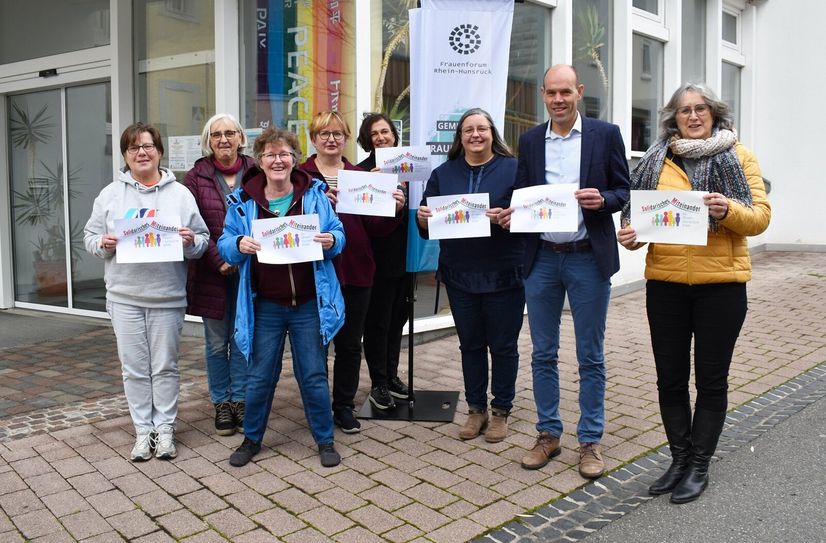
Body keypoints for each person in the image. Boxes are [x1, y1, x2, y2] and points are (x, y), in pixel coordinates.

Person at [617, 83, 770, 503]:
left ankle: (699, 465)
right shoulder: (656, 160)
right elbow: (638, 223)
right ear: (674, 118)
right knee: (669, 379)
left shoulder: (739, 157)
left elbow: (759, 218)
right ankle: (679, 459)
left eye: (700, 108)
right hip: (665, 285)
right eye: (684, 111)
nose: (693, 116)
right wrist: (629, 237)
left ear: (714, 113)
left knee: (710, 380)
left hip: (721, 287)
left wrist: (728, 210)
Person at [499, 64, 630, 478]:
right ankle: (548, 435)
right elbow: (523, 194)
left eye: (565, 92)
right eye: (551, 93)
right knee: (542, 352)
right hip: (542, 258)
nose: (558, 99)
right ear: (543, 95)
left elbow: (623, 190)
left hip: (588, 256)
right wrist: (511, 215)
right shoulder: (531, 140)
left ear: (579, 92)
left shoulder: (605, 134)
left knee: (590, 355)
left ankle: (590, 440)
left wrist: (604, 200)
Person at [218, 127, 345, 468]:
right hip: (267, 306)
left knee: (314, 375)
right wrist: (238, 245)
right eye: (270, 154)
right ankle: (252, 439)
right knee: (259, 376)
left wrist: (332, 240)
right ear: (259, 162)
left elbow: (338, 233)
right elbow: (224, 244)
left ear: (294, 159)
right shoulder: (243, 203)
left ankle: (325, 439)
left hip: (308, 303)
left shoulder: (315, 194)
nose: (278, 160)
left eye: (284, 153)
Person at [83, 122, 209, 462]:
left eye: (148, 146)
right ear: (125, 155)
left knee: (166, 366)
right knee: (134, 368)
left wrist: (189, 241)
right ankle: (143, 431)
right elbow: (90, 237)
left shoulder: (180, 194)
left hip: (167, 296)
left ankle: (165, 429)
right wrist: (103, 244)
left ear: (159, 152)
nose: (142, 152)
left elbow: (202, 241)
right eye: (134, 147)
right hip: (124, 296)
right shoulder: (110, 195)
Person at [416, 108, 525, 444]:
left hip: (505, 272)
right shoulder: (443, 173)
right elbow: (426, 221)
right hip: (460, 273)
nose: (475, 135)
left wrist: (510, 218)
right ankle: (476, 409)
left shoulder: (515, 169)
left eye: (482, 129)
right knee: (470, 344)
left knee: (504, 346)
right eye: (468, 130)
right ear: (459, 137)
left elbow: (530, 218)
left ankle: (501, 410)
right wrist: (422, 218)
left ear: (493, 133)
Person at [300, 111, 404, 432]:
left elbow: (375, 228)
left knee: (349, 346)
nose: (331, 139)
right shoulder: (301, 176)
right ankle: (317, 408)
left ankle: (343, 406)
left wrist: (394, 208)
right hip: (315, 275)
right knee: (315, 347)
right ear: (314, 138)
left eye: (337, 133)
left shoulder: (360, 174)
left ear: (346, 137)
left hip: (357, 271)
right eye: (324, 133)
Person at [184, 113, 255, 437]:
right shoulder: (196, 177)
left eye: (229, 133)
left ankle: (240, 400)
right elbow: (194, 224)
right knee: (215, 344)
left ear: (241, 137)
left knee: (242, 340)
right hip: (213, 272)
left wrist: (241, 257)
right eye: (216, 135)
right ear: (208, 141)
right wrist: (220, 259)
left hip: (250, 268)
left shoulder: (256, 171)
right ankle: (221, 403)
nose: (223, 139)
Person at [357, 113, 411, 404]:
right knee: (377, 323)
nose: (380, 137)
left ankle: (391, 375)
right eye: (374, 133)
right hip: (377, 258)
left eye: (385, 132)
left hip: (407, 256)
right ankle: (378, 381)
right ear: (367, 139)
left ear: (394, 135)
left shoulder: (409, 168)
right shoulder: (363, 171)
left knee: (398, 321)